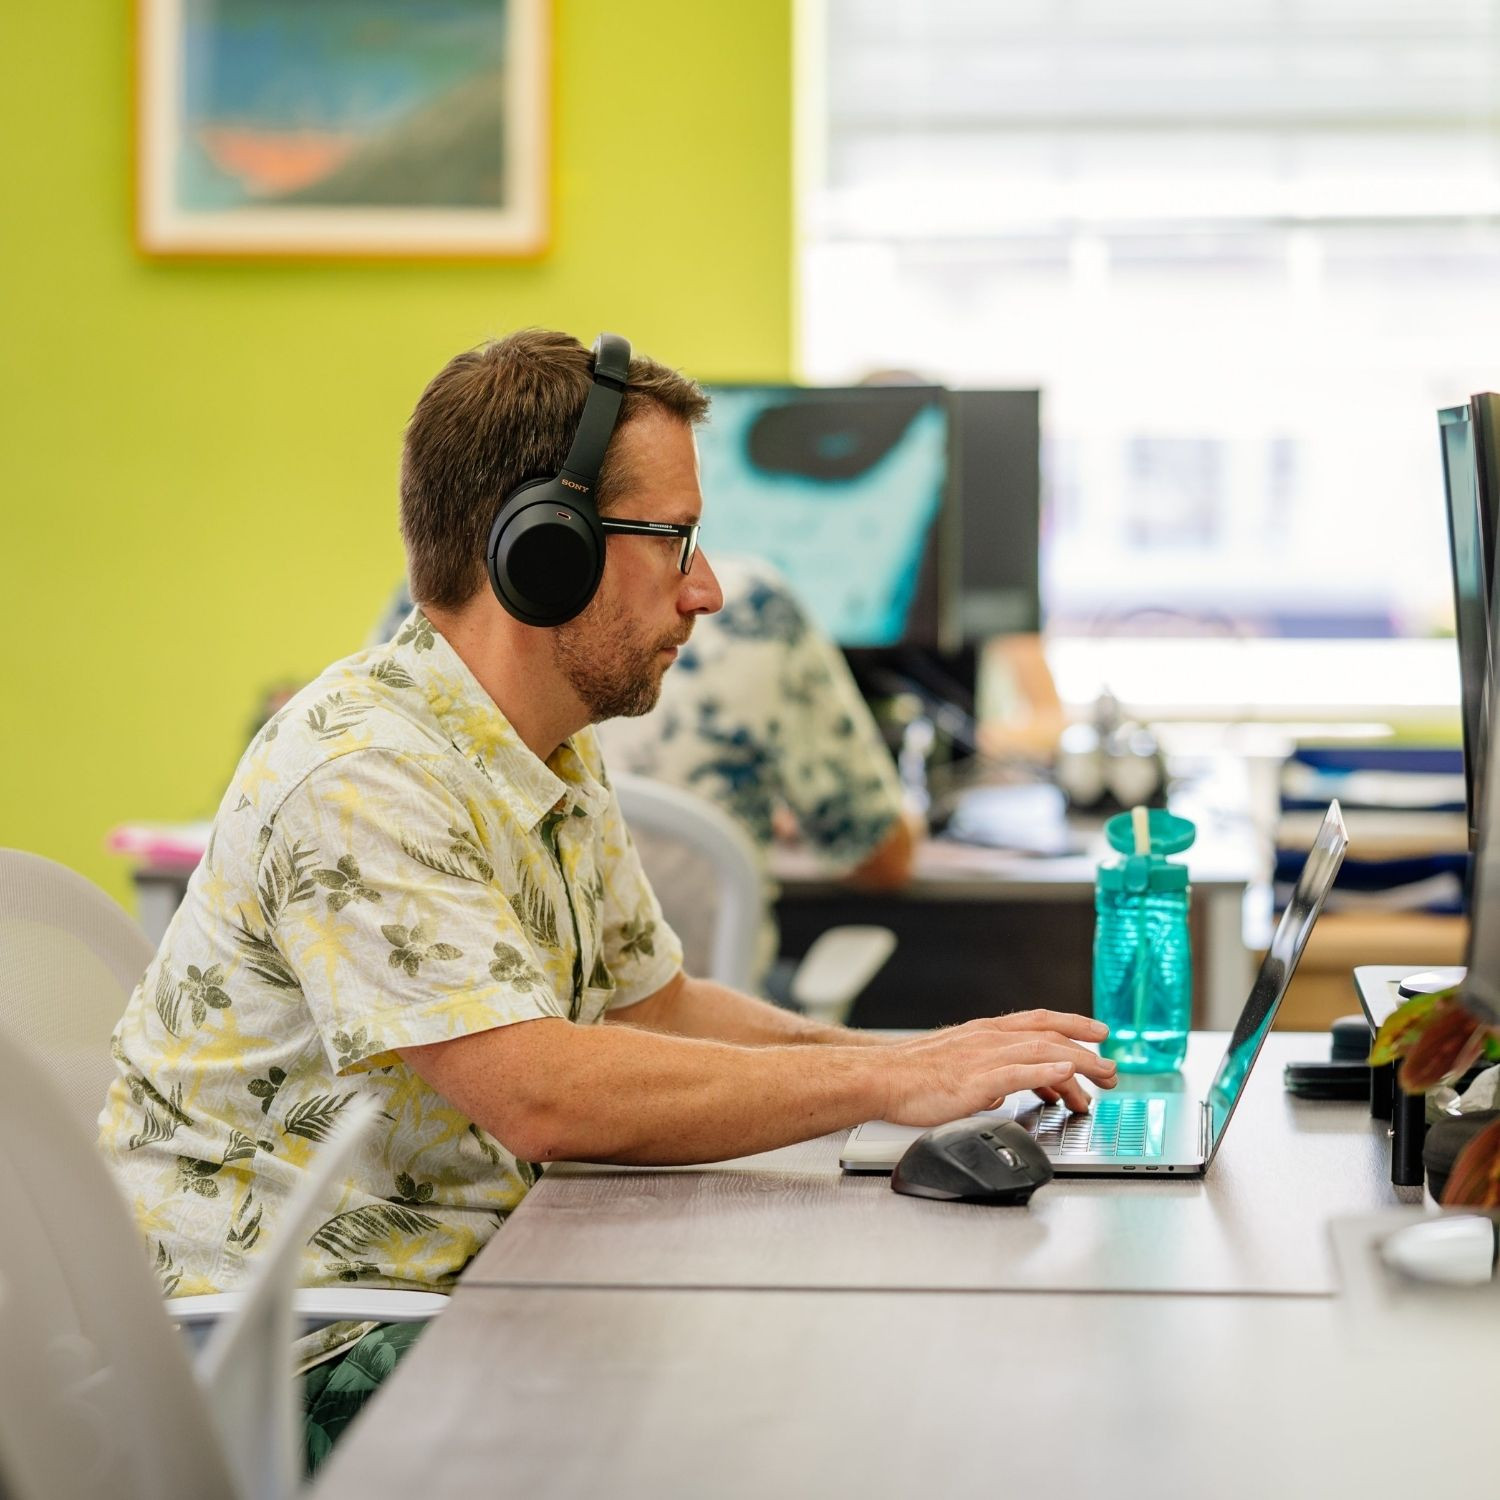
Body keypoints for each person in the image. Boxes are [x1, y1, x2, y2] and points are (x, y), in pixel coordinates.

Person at [99, 328, 1115, 1461]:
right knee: (773, 1434)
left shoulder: (542, 747)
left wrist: (905, 1065)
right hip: (294, 1347)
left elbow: (651, 1008)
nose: (709, 588)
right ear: (545, 551)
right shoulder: (363, 774)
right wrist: (883, 1079)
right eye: (674, 539)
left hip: (466, 1281)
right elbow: (542, 1094)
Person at [374, 551, 924, 992]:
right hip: (668, 1036)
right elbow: (880, 855)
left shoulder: (429, 608)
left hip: (604, 1021)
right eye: (677, 532)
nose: (705, 592)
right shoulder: (758, 608)